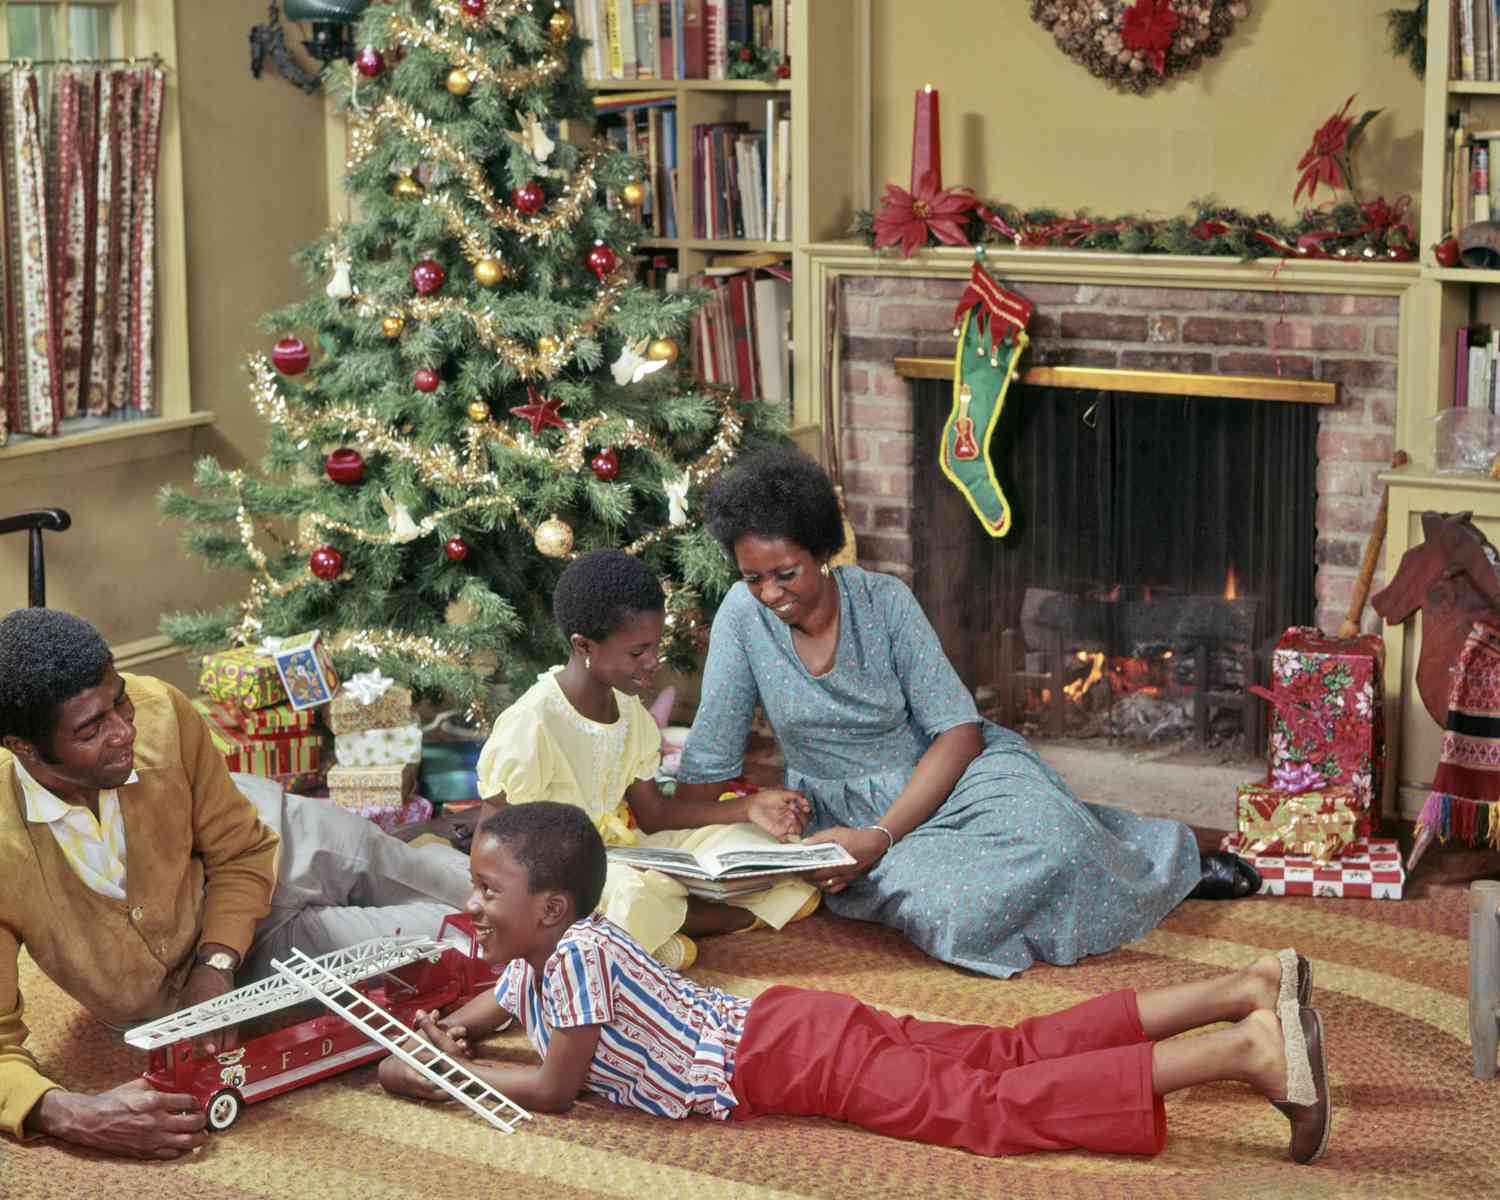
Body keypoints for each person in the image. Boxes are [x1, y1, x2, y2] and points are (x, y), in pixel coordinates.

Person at [377, 802, 1332, 1164]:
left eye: (485, 889)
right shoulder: (553, 952)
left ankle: (1244, 1047)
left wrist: (433, 1076)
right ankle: (1243, 986)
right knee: (1003, 1047)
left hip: (789, 1059)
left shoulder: (574, 959)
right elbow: (506, 998)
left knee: (989, 1109)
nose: (473, 901)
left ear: (549, 907)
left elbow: (553, 1087)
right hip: (793, 1025)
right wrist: (457, 1024)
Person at [669, 447, 1260, 980]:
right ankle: (1092, 851)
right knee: (952, 910)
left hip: (952, 772)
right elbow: (708, 770)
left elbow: (957, 732)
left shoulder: (885, 601)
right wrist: (741, 813)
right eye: (753, 579)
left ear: (822, 552)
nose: (770, 594)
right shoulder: (741, 622)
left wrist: (881, 837)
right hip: (846, 817)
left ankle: (1166, 867)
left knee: (1055, 836)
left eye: (785, 574)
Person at [0, 607, 472, 1159]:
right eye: (91, 728)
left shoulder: (161, 710)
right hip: (250, 958)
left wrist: (213, 962)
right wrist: (67, 1113)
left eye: (119, 700)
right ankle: (430, 843)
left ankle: (431, 839)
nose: (125, 729)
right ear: (24, 748)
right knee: (461, 946)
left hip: (272, 835)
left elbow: (243, 849)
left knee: (477, 892)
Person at [475, 549, 818, 970]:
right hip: (560, 877)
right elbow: (490, 838)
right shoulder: (532, 724)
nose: (653, 662)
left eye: (656, 646)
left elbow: (653, 815)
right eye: (637, 653)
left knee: (758, 845)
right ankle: (728, 919)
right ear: (583, 645)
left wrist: (749, 807)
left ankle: (655, 936)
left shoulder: (630, 713)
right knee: (635, 893)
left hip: (626, 849)